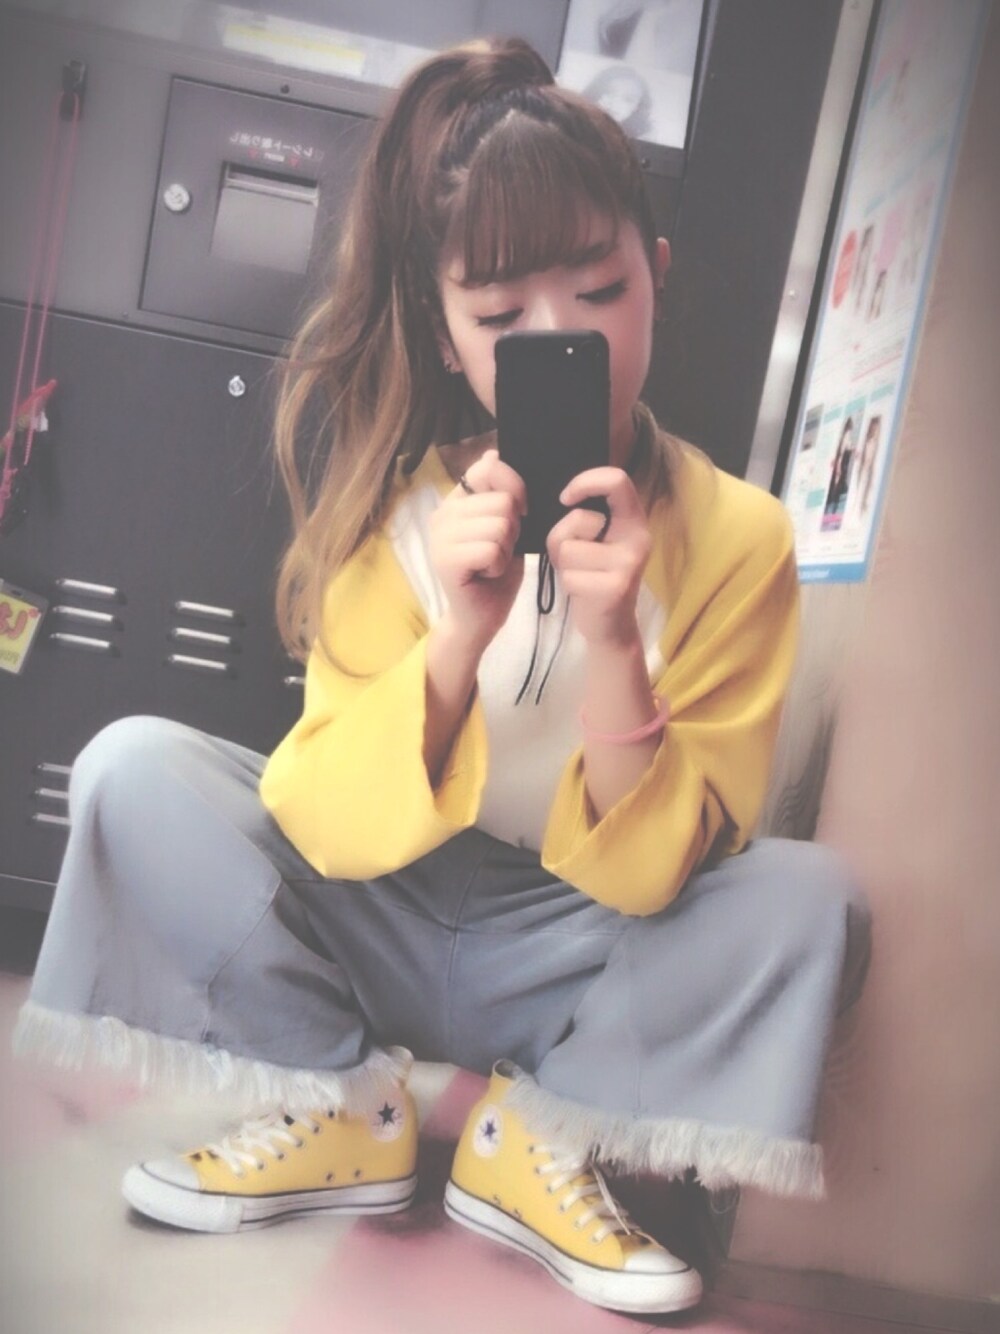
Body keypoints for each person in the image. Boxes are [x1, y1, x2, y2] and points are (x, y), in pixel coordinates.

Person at [13, 37, 870, 1317]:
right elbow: (319, 814)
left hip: (583, 947)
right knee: (132, 767)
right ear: (447, 331)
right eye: (502, 316)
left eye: (599, 288)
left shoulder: (740, 537)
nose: (560, 336)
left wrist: (619, 645)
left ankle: (544, 1133)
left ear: (657, 273)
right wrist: (454, 644)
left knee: (809, 897)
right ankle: (339, 1102)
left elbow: (662, 870)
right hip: (385, 912)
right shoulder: (400, 510)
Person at [582, 63, 654, 139]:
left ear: (636, 108)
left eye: (628, 99)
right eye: (609, 92)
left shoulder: (641, 138)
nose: (615, 104)